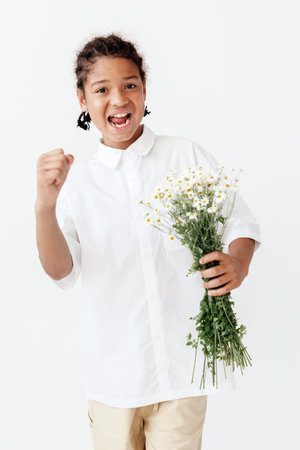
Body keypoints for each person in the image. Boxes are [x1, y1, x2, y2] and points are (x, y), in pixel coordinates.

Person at [35, 33, 261, 450]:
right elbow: (60, 270)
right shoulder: (77, 183)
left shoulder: (184, 156)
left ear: (144, 90)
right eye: (102, 89)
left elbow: (241, 222)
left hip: (182, 367)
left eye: (130, 85)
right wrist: (44, 206)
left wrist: (238, 263)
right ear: (82, 100)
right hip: (114, 377)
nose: (118, 99)